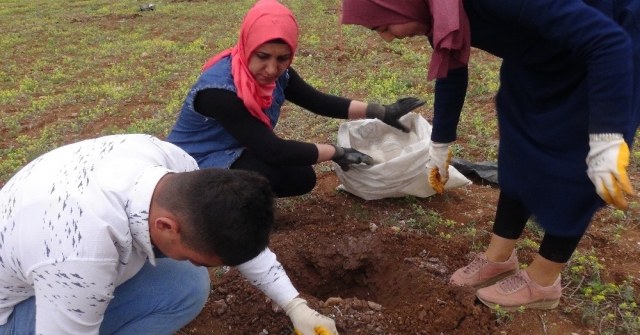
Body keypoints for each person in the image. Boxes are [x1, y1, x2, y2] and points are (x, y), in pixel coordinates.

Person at [341, 0, 639, 311]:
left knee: (575, 161)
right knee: (519, 136)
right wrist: (439, 146)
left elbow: (607, 41)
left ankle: (544, 280)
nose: (387, 38)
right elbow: (451, 71)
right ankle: (499, 258)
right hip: (541, 52)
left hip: (607, 42)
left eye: (385, 27)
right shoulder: (439, 11)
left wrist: (606, 137)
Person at [0, 134, 337, 335]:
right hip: (11, 313)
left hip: (44, 258)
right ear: (166, 226)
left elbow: (231, 225)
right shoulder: (80, 251)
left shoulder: (170, 161)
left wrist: (294, 305)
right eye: (196, 258)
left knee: (185, 286)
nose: (194, 263)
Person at [165, 0, 425, 198]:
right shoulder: (219, 91)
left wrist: (380, 110)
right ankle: (212, 210)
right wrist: (337, 152)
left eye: (282, 59)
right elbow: (273, 150)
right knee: (260, 173)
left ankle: (232, 199)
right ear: (247, 46)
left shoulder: (280, 76)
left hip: (232, 154)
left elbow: (318, 102)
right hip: (188, 168)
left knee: (301, 178)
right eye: (263, 56)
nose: (271, 69)